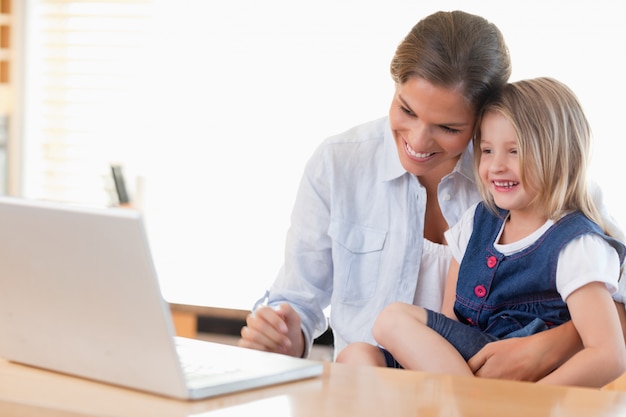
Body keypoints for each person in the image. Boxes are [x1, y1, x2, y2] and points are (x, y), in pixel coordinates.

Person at [237, 10, 626, 381]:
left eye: (447, 127)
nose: (418, 141)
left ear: (482, 118)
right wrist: (286, 333)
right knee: (355, 352)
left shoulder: (533, 182)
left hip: (494, 382)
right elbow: (296, 302)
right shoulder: (338, 163)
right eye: (406, 109)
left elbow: (615, 302)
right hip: (378, 386)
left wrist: (549, 346)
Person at [335, 77, 626, 388]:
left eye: (514, 151)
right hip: (464, 364)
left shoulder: (575, 244)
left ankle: (474, 404)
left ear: (559, 156)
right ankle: (465, 401)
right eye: (487, 150)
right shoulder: (477, 222)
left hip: (517, 382)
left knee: (392, 319)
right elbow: (450, 320)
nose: (496, 165)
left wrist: (531, 404)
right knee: (355, 356)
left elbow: (609, 355)